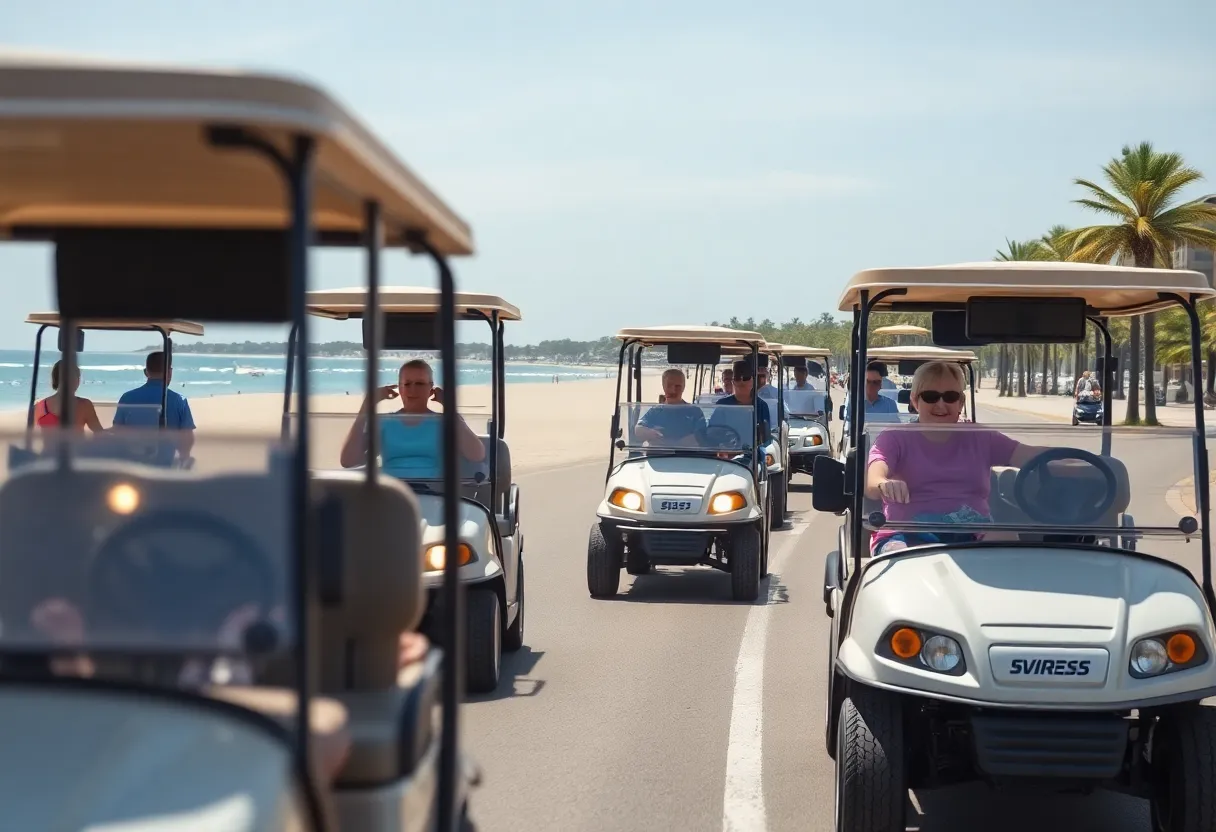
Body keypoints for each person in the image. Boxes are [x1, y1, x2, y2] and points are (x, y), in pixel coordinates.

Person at [865, 361, 1077, 555]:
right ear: (915, 400)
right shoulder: (894, 438)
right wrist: (884, 483)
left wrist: (1079, 460)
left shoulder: (980, 437)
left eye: (950, 397)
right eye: (930, 396)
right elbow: (873, 481)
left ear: (961, 402)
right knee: (900, 555)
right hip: (907, 531)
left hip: (973, 531)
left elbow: (1028, 455)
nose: (941, 405)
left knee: (1009, 541)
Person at [340, 359, 485, 477]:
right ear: (400, 388)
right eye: (407, 384)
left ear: (431, 388)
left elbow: (477, 455)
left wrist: (450, 407)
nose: (413, 389)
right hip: (393, 493)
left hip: (435, 491)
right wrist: (367, 405)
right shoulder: (385, 422)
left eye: (420, 384)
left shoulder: (443, 422)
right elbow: (348, 461)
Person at [113, 351, 195, 465]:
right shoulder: (179, 401)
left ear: (146, 372)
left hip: (132, 467)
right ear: (169, 372)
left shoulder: (127, 397)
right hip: (165, 467)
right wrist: (184, 456)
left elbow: (117, 432)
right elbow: (186, 439)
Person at [634, 369, 706, 445]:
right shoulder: (655, 411)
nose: (673, 390)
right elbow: (638, 429)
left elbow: (701, 436)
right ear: (663, 386)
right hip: (659, 452)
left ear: (684, 387)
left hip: (684, 452)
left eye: (678, 386)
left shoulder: (695, 412)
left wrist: (674, 445)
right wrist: (650, 433)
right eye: (669, 385)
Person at [711, 358, 772, 449]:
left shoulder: (762, 406)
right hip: (728, 454)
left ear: (753, 381)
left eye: (746, 378)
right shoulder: (722, 405)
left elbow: (766, 440)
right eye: (737, 378)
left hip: (753, 455)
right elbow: (712, 434)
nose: (741, 381)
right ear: (733, 381)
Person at [34, 361, 104, 432]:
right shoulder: (84, 405)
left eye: (74, 377)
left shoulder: (39, 407)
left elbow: (99, 434)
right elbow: (100, 434)